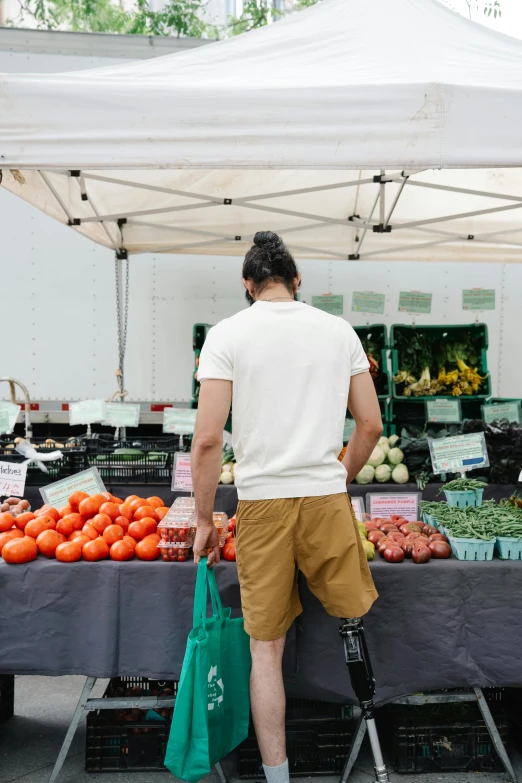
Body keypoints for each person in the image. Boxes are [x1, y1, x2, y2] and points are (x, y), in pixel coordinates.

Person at [191, 231, 382, 783]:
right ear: (298, 281)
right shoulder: (338, 330)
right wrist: (338, 477)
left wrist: (205, 521)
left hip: (263, 504)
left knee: (266, 648)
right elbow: (370, 424)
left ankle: (278, 777)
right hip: (325, 500)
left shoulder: (227, 334)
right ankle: (372, 746)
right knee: (352, 623)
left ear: (248, 286)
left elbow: (207, 441)